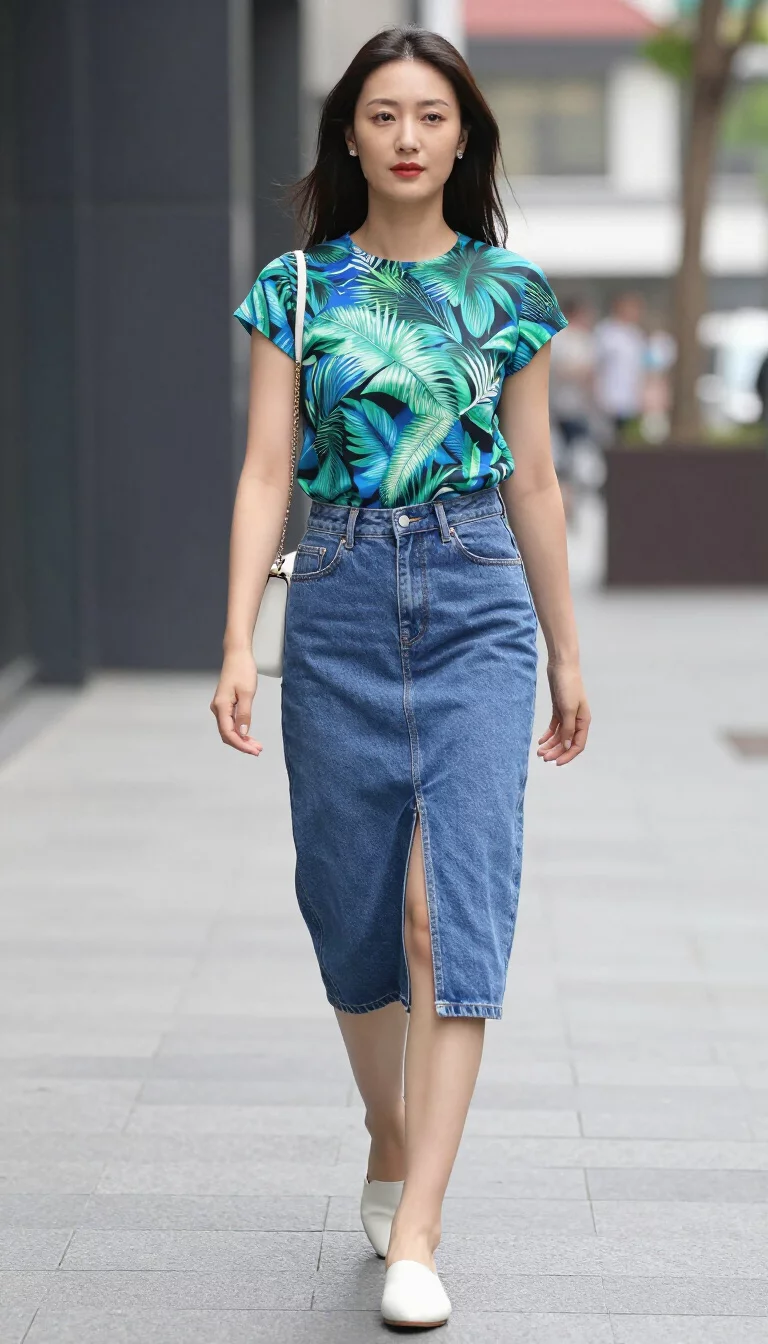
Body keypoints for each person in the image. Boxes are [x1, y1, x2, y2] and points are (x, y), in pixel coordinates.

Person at [210, 24, 591, 1331]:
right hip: (339, 600)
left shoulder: (510, 291)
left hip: (481, 594)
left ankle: (420, 1227)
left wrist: (567, 655)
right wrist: (232, 646)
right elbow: (268, 472)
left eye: (433, 114)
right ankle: (389, 1128)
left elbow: (536, 479)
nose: (411, 136)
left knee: (449, 910)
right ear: (353, 134)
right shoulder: (298, 292)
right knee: (354, 905)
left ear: (466, 135)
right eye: (385, 114)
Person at [548, 296, 597, 520]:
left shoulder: (582, 339)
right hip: (561, 409)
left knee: (575, 460)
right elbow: (564, 370)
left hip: (576, 408)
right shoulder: (561, 339)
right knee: (565, 462)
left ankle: (571, 503)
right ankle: (566, 504)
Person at [593, 291, 649, 437]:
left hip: (630, 398)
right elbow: (595, 364)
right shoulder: (606, 332)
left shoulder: (636, 334)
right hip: (608, 397)